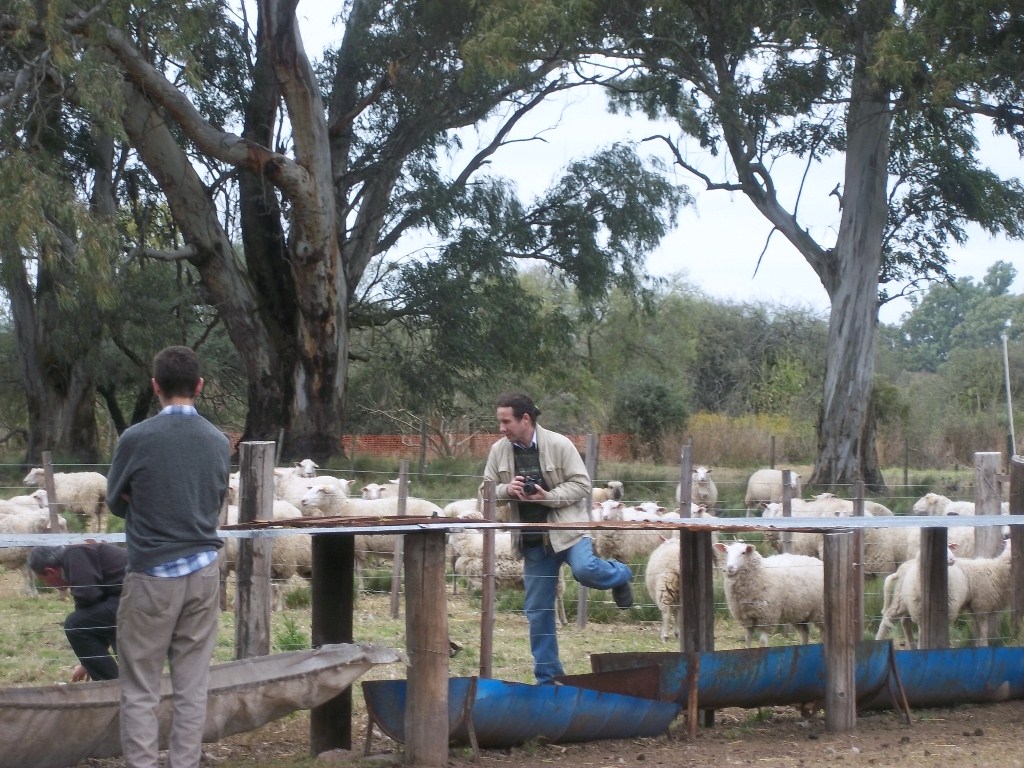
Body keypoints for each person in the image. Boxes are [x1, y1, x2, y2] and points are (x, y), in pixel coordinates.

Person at [107, 345, 231, 768]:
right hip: (203, 572)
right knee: (191, 683)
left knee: (141, 684)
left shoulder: (136, 438)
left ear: (155, 386)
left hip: (151, 577)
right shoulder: (217, 441)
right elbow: (214, 499)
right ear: (198, 386)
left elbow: (115, 501)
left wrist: (139, 500)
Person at [481, 392, 633, 684]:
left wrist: (548, 496)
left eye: (505, 421)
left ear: (525, 419)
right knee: (538, 612)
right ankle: (548, 678)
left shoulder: (559, 444)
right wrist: (505, 490)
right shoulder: (499, 451)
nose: (501, 428)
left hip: (568, 531)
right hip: (532, 539)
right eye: (499, 422)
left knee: (586, 570)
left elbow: (582, 485)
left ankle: (621, 573)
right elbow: (485, 491)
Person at [28, 542, 127, 682]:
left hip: (136, 597)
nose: (46, 585)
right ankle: (127, 687)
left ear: (50, 571)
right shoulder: (76, 555)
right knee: (104, 624)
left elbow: (87, 595)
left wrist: (89, 659)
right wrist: (88, 661)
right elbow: (96, 617)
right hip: (137, 597)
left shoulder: (74, 553)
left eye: (43, 579)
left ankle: (111, 687)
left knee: (74, 625)